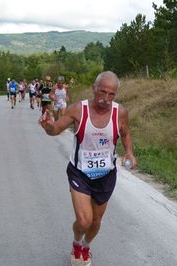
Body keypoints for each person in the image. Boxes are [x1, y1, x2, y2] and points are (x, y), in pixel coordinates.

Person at [39, 71, 137, 266]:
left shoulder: (121, 113)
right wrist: (48, 126)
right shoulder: (78, 109)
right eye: (102, 92)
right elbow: (56, 129)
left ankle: (86, 246)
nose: (106, 98)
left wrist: (129, 152)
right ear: (94, 89)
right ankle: (76, 244)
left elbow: (125, 133)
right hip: (80, 173)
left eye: (112, 94)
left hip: (106, 175)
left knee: (95, 222)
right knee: (84, 221)